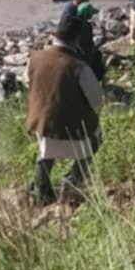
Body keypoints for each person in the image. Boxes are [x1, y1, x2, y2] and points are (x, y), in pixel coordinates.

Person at [26, 11, 104, 205]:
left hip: (41, 122)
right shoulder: (79, 67)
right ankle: (71, 181)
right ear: (76, 39)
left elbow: (27, 80)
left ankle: (41, 190)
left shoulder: (34, 58)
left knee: (44, 153)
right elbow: (96, 100)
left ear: (55, 35)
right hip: (75, 128)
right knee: (94, 143)